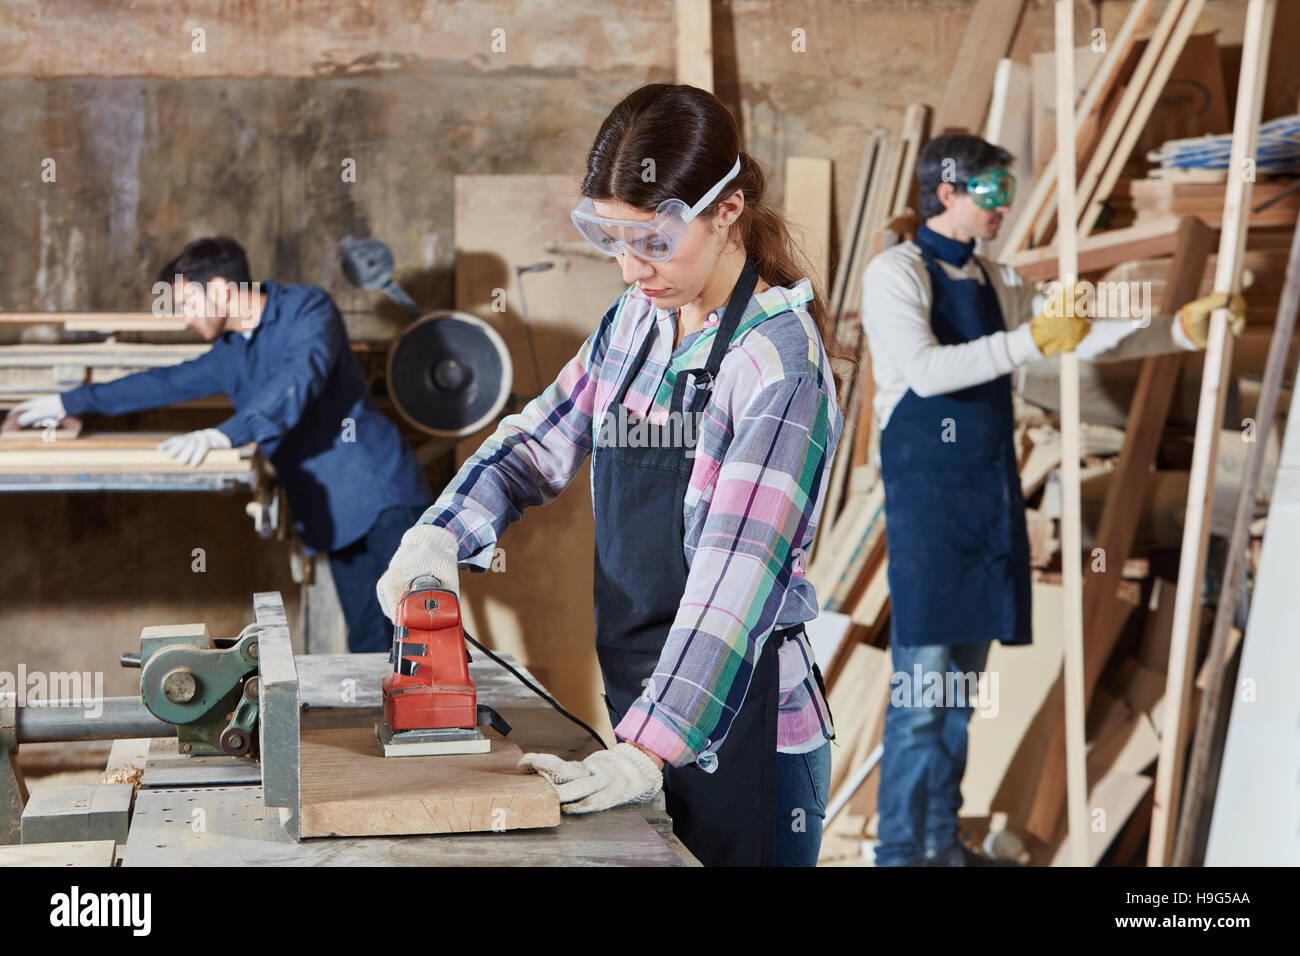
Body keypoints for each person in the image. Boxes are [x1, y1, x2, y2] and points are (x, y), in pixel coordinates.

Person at [377, 84, 843, 866]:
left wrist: (648, 752)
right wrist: (439, 535)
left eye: (654, 241)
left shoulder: (777, 366)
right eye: (613, 239)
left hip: (737, 727)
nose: (631, 268)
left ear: (727, 211)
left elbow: (737, 586)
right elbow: (540, 438)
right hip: (643, 710)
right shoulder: (639, 321)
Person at [861, 133, 1246, 867]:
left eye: (1010, 190)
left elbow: (1083, 339)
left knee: (962, 698)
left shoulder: (994, 280)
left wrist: (1177, 329)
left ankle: (941, 844)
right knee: (921, 701)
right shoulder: (894, 273)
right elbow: (926, 370)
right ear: (947, 193)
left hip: (986, 501)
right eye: (993, 193)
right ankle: (899, 855)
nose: (1006, 205)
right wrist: (1030, 341)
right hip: (931, 515)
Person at [4, 237, 431, 653]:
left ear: (222, 291)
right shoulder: (231, 351)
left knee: (420, 636)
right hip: (332, 511)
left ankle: (447, 724)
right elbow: (164, 382)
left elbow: (295, 384)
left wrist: (224, 434)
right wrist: (65, 401)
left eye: (188, 303)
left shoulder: (307, 310)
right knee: (369, 642)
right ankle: (388, 724)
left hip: (381, 494)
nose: (185, 318)